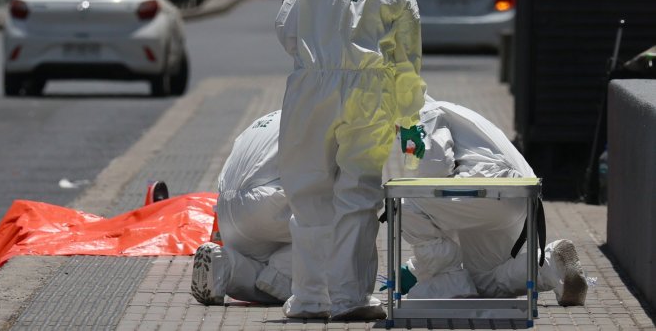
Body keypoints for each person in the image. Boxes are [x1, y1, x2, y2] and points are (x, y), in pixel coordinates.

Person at [189, 100, 589, 309]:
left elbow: (425, 179)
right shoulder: (439, 110)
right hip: (515, 196)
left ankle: (228, 267)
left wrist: (421, 266)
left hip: (230, 205)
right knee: (336, 245)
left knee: (403, 198)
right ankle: (544, 265)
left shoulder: (288, 111)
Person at [274, 0, 425, 321]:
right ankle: (349, 298)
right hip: (369, 91)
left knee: (307, 189)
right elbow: (407, 60)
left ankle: (309, 297)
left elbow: (285, 27)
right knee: (357, 193)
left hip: (311, 87)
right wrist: (410, 124)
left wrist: (315, 58)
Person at [385, 98, 589, 305]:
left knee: (401, 201)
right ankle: (550, 265)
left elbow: (434, 173)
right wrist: (416, 269)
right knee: (484, 279)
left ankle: (447, 285)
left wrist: (426, 269)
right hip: (516, 197)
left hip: (488, 192)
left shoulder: (420, 114)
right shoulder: (453, 111)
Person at [191, 110, 293, 305]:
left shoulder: (268, 118)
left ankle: (225, 265)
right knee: (346, 219)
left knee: (262, 266)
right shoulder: (319, 117)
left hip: (227, 209)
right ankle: (284, 274)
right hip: (265, 205)